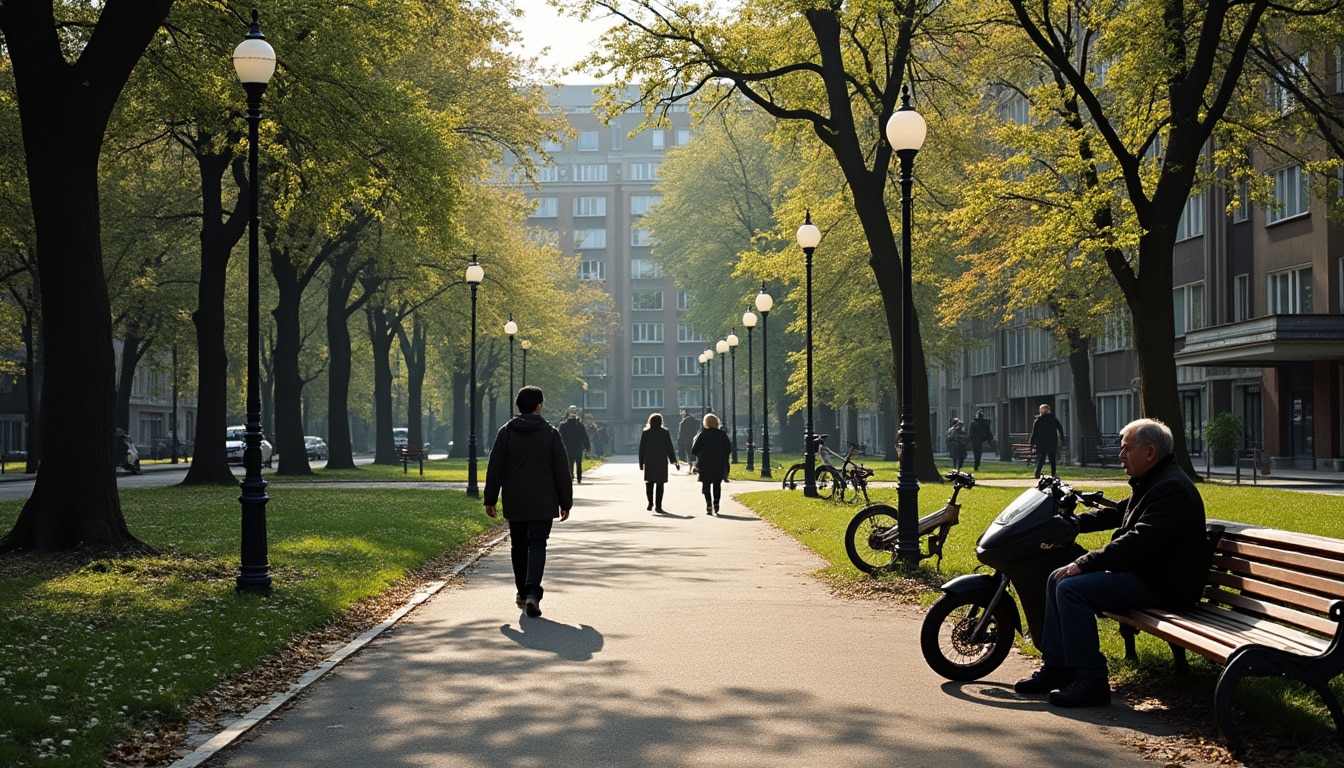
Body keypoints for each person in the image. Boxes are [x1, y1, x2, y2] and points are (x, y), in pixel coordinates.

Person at [1014, 418, 1209, 708]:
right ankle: (1058, 668)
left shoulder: (1172, 488)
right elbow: (1120, 512)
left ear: (1150, 452)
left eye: (1126, 449)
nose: (1121, 455)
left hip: (1166, 585)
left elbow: (1139, 540)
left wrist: (1085, 562)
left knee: (1071, 588)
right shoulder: (1156, 479)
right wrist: (1073, 524)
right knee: (1057, 576)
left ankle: (1092, 680)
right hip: (1150, 575)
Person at [483, 386, 573, 619]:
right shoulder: (551, 433)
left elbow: (495, 467)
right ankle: (532, 592)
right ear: (539, 406)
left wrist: (490, 498)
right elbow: (562, 470)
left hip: (516, 499)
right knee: (538, 544)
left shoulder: (506, 432)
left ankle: (522, 592)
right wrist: (566, 501)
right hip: (544, 500)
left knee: (519, 546)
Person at [691, 412, 732, 515]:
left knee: (706, 485)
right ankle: (716, 503)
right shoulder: (722, 435)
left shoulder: (702, 435)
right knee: (717, 484)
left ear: (706, 423)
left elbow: (694, 450)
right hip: (719, 463)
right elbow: (728, 449)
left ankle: (708, 504)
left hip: (705, 464)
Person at [638, 413, 680, 513]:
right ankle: (658, 505)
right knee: (660, 484)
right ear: (661, 421)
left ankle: (650, 502)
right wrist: (674, 461)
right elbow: (669, 447)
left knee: (649, 483)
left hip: (650, 461)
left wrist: (641, 462)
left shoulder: (646, 432)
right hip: (661, 461)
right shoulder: (665, 432)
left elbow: (642, 449)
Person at [1029, 404, 1066, 478]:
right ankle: (1053, 474)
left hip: (1041, 443)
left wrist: (1031, 442)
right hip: (1052, 442)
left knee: (1041, 458)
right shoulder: (1054, 420)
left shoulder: (1038, 421)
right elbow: (1060, 429)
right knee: (1052, 459)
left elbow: (1034, 432)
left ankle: (1037, 472)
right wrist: (1062, 439)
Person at [558, 405, 591, 483]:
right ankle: (579, 478)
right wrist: (587, 448)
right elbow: (584, 437)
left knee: (570, 463)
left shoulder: (563, 426)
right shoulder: (580, 426)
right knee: (579, 463)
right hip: (578, 447)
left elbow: (559, 438)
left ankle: (570, 476)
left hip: (568, 447)